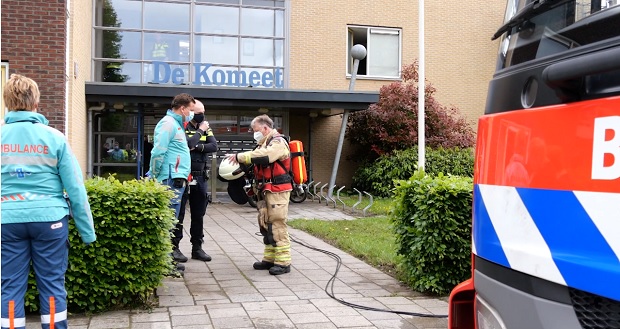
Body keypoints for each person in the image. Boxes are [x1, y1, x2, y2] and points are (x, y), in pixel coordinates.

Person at [1, 74, 97, 329]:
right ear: (36, 102)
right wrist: (87, 232)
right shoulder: (54, 137)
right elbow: (75, 187)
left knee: (9, 286)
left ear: (7, 101)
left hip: (7, 221)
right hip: (50, 221)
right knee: (52, 284)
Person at [226, 114, 292, 275]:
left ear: (265, 128)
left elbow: (265, 157)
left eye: (255, 130)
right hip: (265, 190)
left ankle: (283, 262)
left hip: (277, 190)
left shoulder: (278, 142)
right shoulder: (263, 144)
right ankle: (269, 259)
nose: (253, 133)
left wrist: (239, 157)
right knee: (265, 223)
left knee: (277, 223)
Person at [149, 93, 195, 273]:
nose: (192, 114)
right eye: (190, 110)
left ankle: (167, 262)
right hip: (170, 179)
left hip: (175, 177)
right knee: (167, 222)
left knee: (171, 221)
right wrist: (154, 174)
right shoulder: (168, 124)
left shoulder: (176, 124)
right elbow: (158, 151)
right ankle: (165, 264)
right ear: (182, 108)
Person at [173, 100, 217, 263]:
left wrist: (197, 147)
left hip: (200, 176)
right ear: (191, 112)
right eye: (198, 112)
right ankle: (175, 248)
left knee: (198, 214)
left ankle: (197, 248)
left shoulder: (207, 126)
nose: (201, 115)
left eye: (203, 112)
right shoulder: (182, 126)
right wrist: (200, 132)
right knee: (179, 214)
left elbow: (214, 146)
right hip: (183, 176)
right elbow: (187, 143)